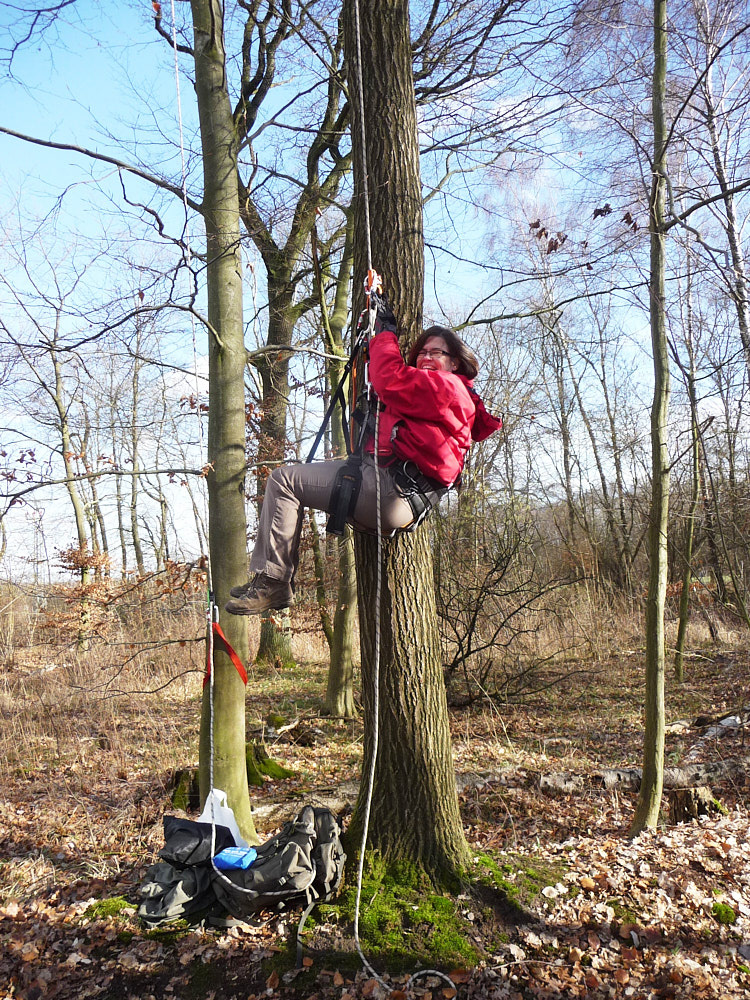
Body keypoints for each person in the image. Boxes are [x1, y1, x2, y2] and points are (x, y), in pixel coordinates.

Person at [225, 304, 502, 616]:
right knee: (289, 480)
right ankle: (272, 580)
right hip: (395, 490)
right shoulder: (442, 395)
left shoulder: (445, 386)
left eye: (436, 352)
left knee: (284, 481)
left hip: (391, 491)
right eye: (422, 352)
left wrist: (384, 335)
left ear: (454, 363)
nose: (426, 358)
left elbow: (388, 379)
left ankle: (273, 581)